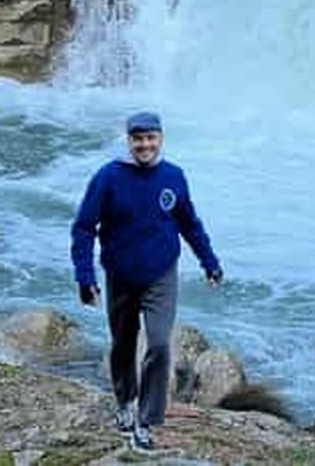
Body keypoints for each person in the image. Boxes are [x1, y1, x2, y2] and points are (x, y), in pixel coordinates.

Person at [71, 110, 223, 453]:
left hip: (161, 275)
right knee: (123, 344)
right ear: (129, 141)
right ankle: (124, 401)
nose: (145, 145)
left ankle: (146, 421)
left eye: (150, 138)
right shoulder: (108, 177)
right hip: (121, 275)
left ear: (160, 139)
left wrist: (210, 262)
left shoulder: (174, 177)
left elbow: (189, 224)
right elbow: (83, 227)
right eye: (138, 139)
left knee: (159, 345)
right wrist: (85, 277)